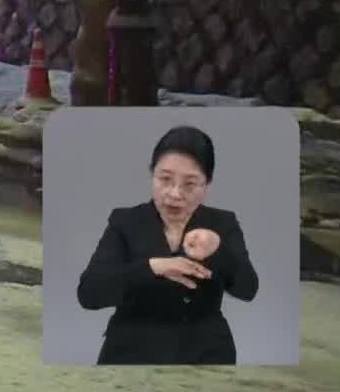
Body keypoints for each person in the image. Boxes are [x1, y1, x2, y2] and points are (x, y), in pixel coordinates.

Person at [76, 125, 260, 364]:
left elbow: (248, 290)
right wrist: (153, 267)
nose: (175, 193)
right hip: (130, 353)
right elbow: (89, 294)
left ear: (207, 185)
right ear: (152, 174)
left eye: (190, 184)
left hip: (206, 355)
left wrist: (218, 250)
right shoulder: (125, 221)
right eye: (165, 179)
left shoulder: (222, 223)